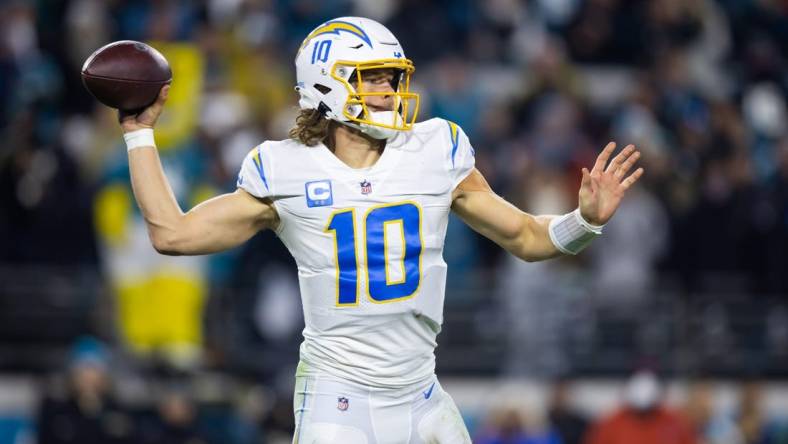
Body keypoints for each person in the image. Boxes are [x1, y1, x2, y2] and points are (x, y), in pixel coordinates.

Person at [117, 16, 643, 444]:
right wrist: (140, 135)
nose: (391, 91)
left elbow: (526, 237)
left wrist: (585, 222)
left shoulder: (436, 149)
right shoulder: (285, 168)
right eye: (374, 77)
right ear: (327, 83)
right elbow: (173, 235)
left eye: (393, 77)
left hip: (421, 393)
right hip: (337, 399)